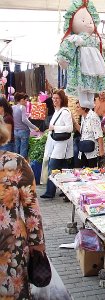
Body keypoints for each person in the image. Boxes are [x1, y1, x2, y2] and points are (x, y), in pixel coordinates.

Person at [0, 115, 46, 300]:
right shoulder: (15, 163)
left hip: (11, 248)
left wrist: (37, 245)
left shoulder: (17, 164)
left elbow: (31, 208)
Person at [41, 90, 74, 199]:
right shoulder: (57, 111)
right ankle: (68, 189)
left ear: (62, 99)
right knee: (63, 169)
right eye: (53, 98)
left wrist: (55, 128)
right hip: (55, 142)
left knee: (53, 166)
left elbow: (70, 128)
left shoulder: (65, 112)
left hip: (61, 144)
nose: (54, 100)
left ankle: (50, 191)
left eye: (57, 98)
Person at [74, 102, 105, 168]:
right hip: (84, 149)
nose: (76, 109)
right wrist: (74, 123)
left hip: (94, 151)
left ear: (84, 108)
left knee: (94, 172)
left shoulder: (93, 116)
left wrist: (101, 151)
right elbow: (83, 132)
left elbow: (99, 134)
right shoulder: (83, 116)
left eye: (78, 107)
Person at [12, 92, 40, 158]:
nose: (26, 102)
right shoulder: (22, 107)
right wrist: (35, 127)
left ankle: (16, 164)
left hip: (15, 131)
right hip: (23, 131)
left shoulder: (13, 107)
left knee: (17, 149)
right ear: (22, 100)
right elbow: (24, 120)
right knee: (23, 149)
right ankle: (22, 165)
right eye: (25, 100)